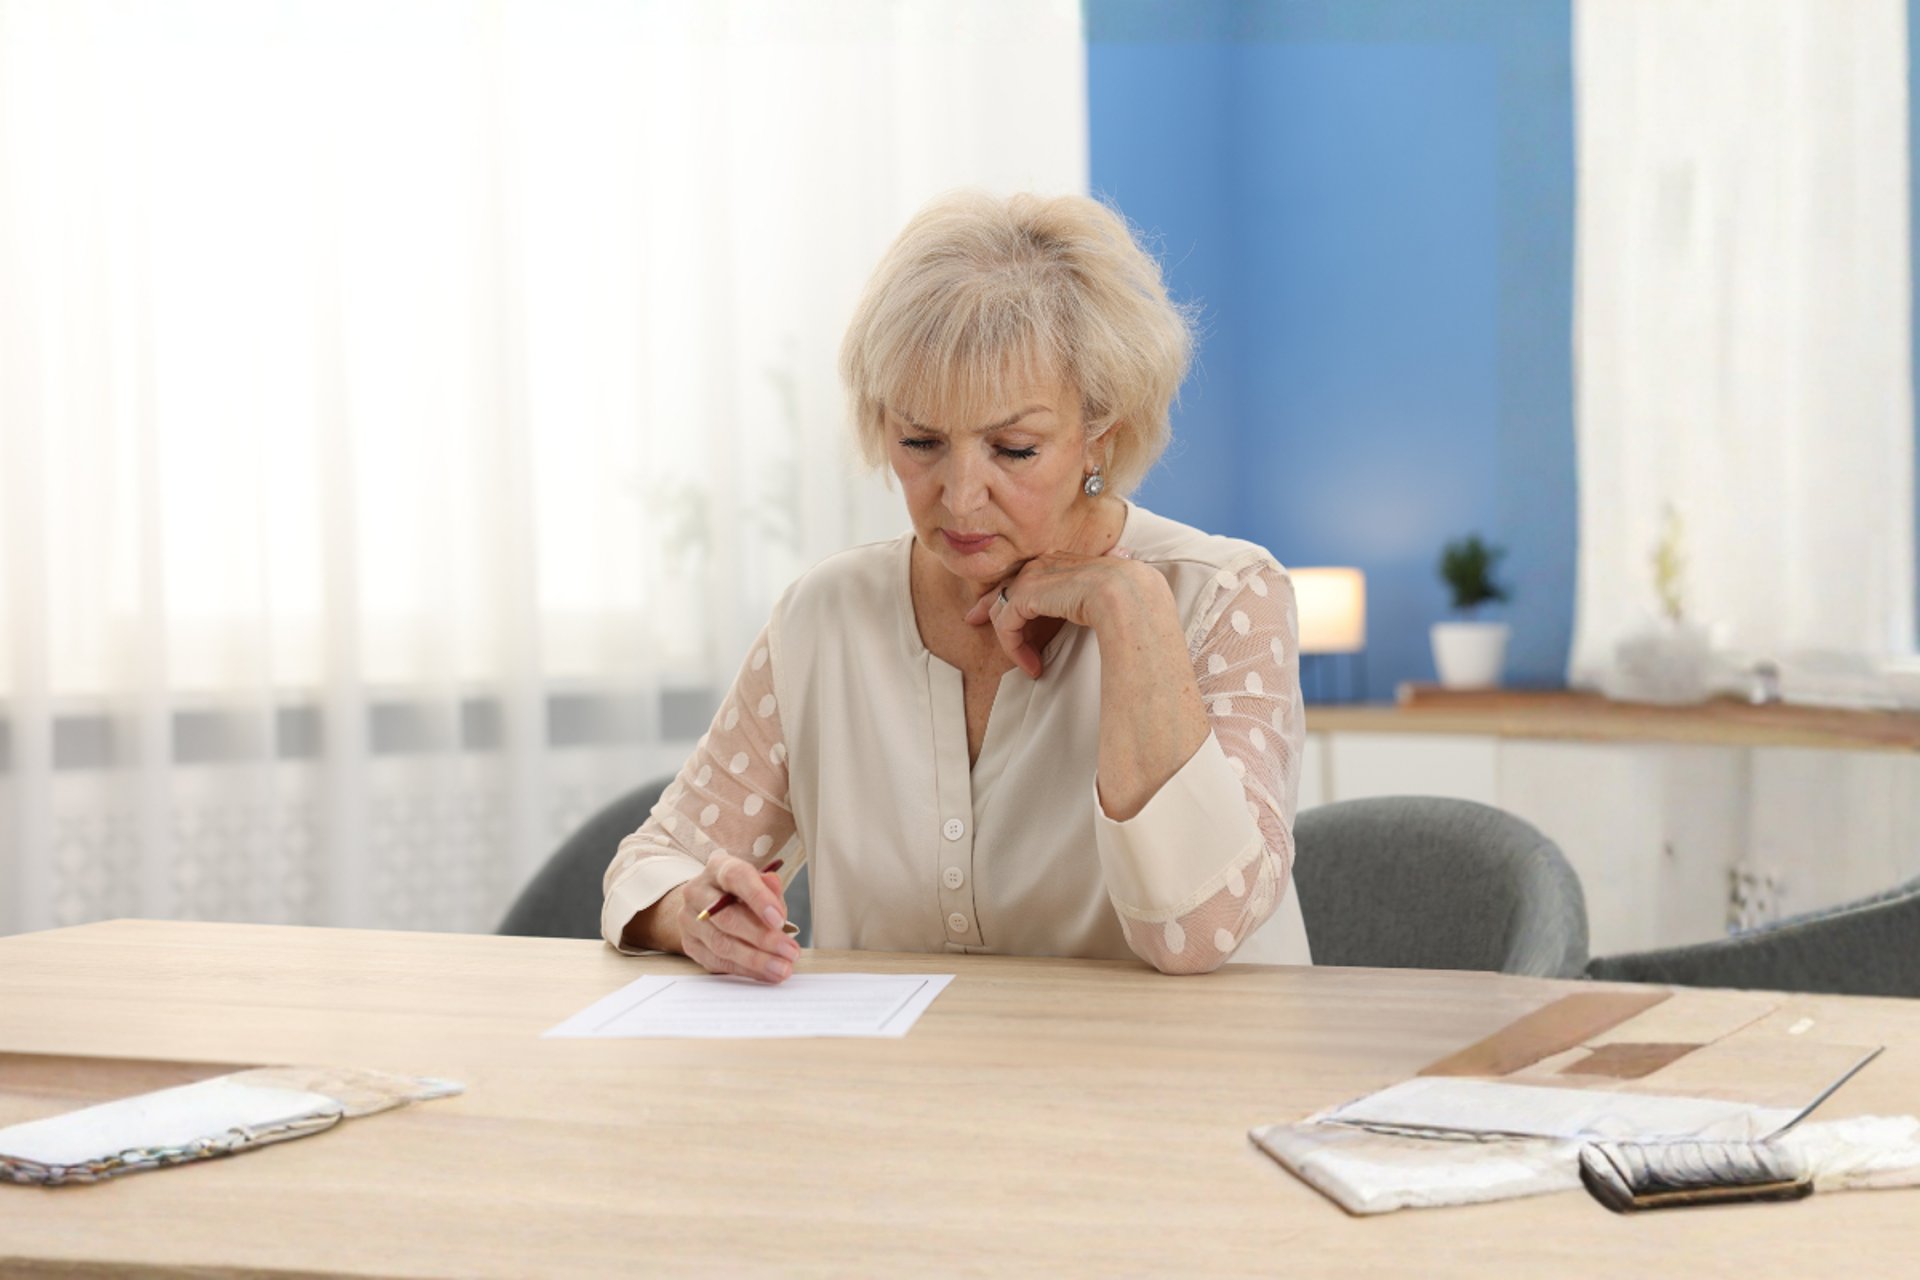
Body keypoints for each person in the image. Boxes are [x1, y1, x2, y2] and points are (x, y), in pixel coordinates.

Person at [601, 190, 1311, 980]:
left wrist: (1131, 608)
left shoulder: (1229, 597)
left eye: (1013, 448)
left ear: (1097, 435)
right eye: (921, 441)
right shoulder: (826, 616)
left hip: (1192, 1090)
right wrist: (695, 915)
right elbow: (655, 864)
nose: (961, 494)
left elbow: (1200, 930)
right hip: (907, 1094)